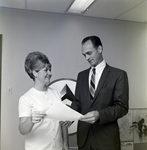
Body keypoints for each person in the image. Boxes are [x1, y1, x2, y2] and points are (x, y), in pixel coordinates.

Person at [71, 36, 129, 150]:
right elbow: (77, 102)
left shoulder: (118, 75)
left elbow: (122, 107)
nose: (87, 58)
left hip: (106, 140)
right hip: (84, 140)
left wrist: (99, 114)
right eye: (84, 55)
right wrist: (68, 114)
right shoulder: (81, 76)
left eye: (89, 53)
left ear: (100, 49)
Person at [18, 51, 69, 150]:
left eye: (50, 69)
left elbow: (62, 122)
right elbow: (22, 130)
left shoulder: (56, 94)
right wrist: (31, 120)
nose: (50, 73)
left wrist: (66, 143)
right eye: (46, 70)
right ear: (35, 73)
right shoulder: (25, 98)